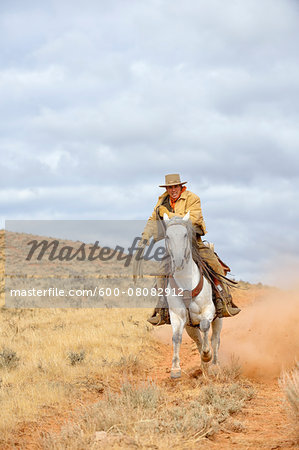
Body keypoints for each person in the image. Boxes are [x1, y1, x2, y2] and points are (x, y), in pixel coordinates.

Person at [140, 173, 240, 325]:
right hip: (174, 245)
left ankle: (223, 299)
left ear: (181, 186)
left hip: (194, 242)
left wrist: (168, 214)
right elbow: (152, 221)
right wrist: (145, 238)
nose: (173, 190)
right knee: (161, 272)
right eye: (170, 187)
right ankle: (162, 309)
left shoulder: (192, 198)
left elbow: (194, 219)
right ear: (167, 188)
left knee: (214, 264)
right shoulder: (162, 202)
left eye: (175, 186)